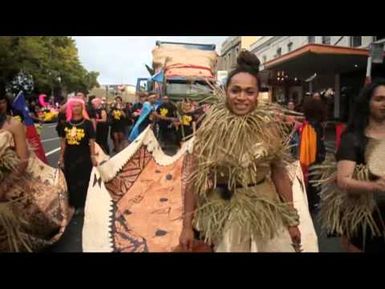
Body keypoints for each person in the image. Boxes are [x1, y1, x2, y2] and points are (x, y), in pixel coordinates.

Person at [179, 51, 302, 252]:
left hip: (265, 208)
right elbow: (193, 180)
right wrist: (186, 227)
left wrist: (291, 220)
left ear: (257, 95)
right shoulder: (209, 130)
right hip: (225, 210)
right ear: (226, 91)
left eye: (249, 91)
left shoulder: (269, 127)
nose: (242, 97)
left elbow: (280, 175)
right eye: (235, 90)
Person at [317, 79, 385, 252]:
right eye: (379, 99)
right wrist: (374, 185)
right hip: (366, 220)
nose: (384, 103)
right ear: (367, 103)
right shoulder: (353, 139)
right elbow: (343, 180)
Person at [0, 88, 69, 252]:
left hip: (10, 179)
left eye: (1, 100)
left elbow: (23, 159)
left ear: (6, 102)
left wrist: (4, 187)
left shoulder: (14, 125)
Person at [58, 98, 97, 214]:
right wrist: (61, 157)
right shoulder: (66, 124)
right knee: (70, 180)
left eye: (78, 106)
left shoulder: (88, 124)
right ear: (70, 108)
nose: (76, 108)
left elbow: (92, 142)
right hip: (70, 156)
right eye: (73, 106)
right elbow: (63, 142)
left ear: (82, 107)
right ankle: (72, 204)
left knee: (84, 179)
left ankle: (83, 204)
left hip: (84, 156)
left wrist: (93, 156)